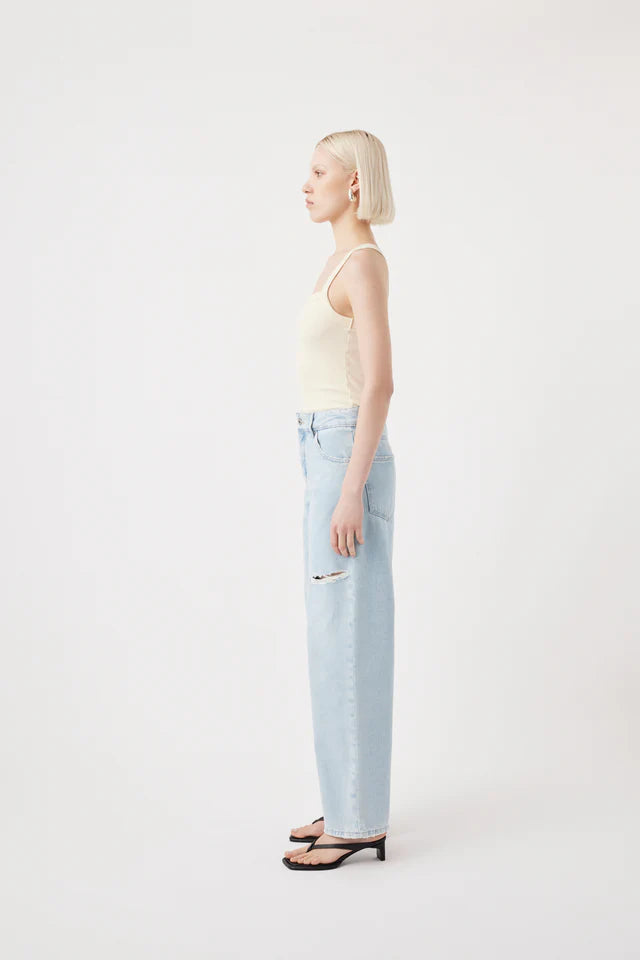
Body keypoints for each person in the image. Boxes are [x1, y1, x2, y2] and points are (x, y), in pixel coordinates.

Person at [283, 130, 396, 871]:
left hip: (346, 454)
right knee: (332, 633)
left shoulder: (363, 264)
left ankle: (357, 821)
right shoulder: (335, 262)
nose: (306, 183)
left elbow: (380, 384)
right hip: (322, 450)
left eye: (319, 171)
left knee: (350, 632)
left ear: (354, 183)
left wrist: (351, 488)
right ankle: (346, 798)